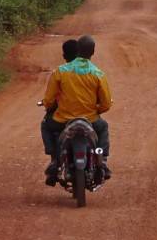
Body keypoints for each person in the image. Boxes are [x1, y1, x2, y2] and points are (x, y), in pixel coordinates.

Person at [41, 33, 112, 185]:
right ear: (93, 52)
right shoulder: (99, 74)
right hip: (90, 120)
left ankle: (54, 159)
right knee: (103, 127)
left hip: (63, 120)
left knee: (46, 125)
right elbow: (106, 104)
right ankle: (103, 160)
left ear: (78, 49)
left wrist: (48, 105)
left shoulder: (60, 71)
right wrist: (96, 110)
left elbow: (48, 100)